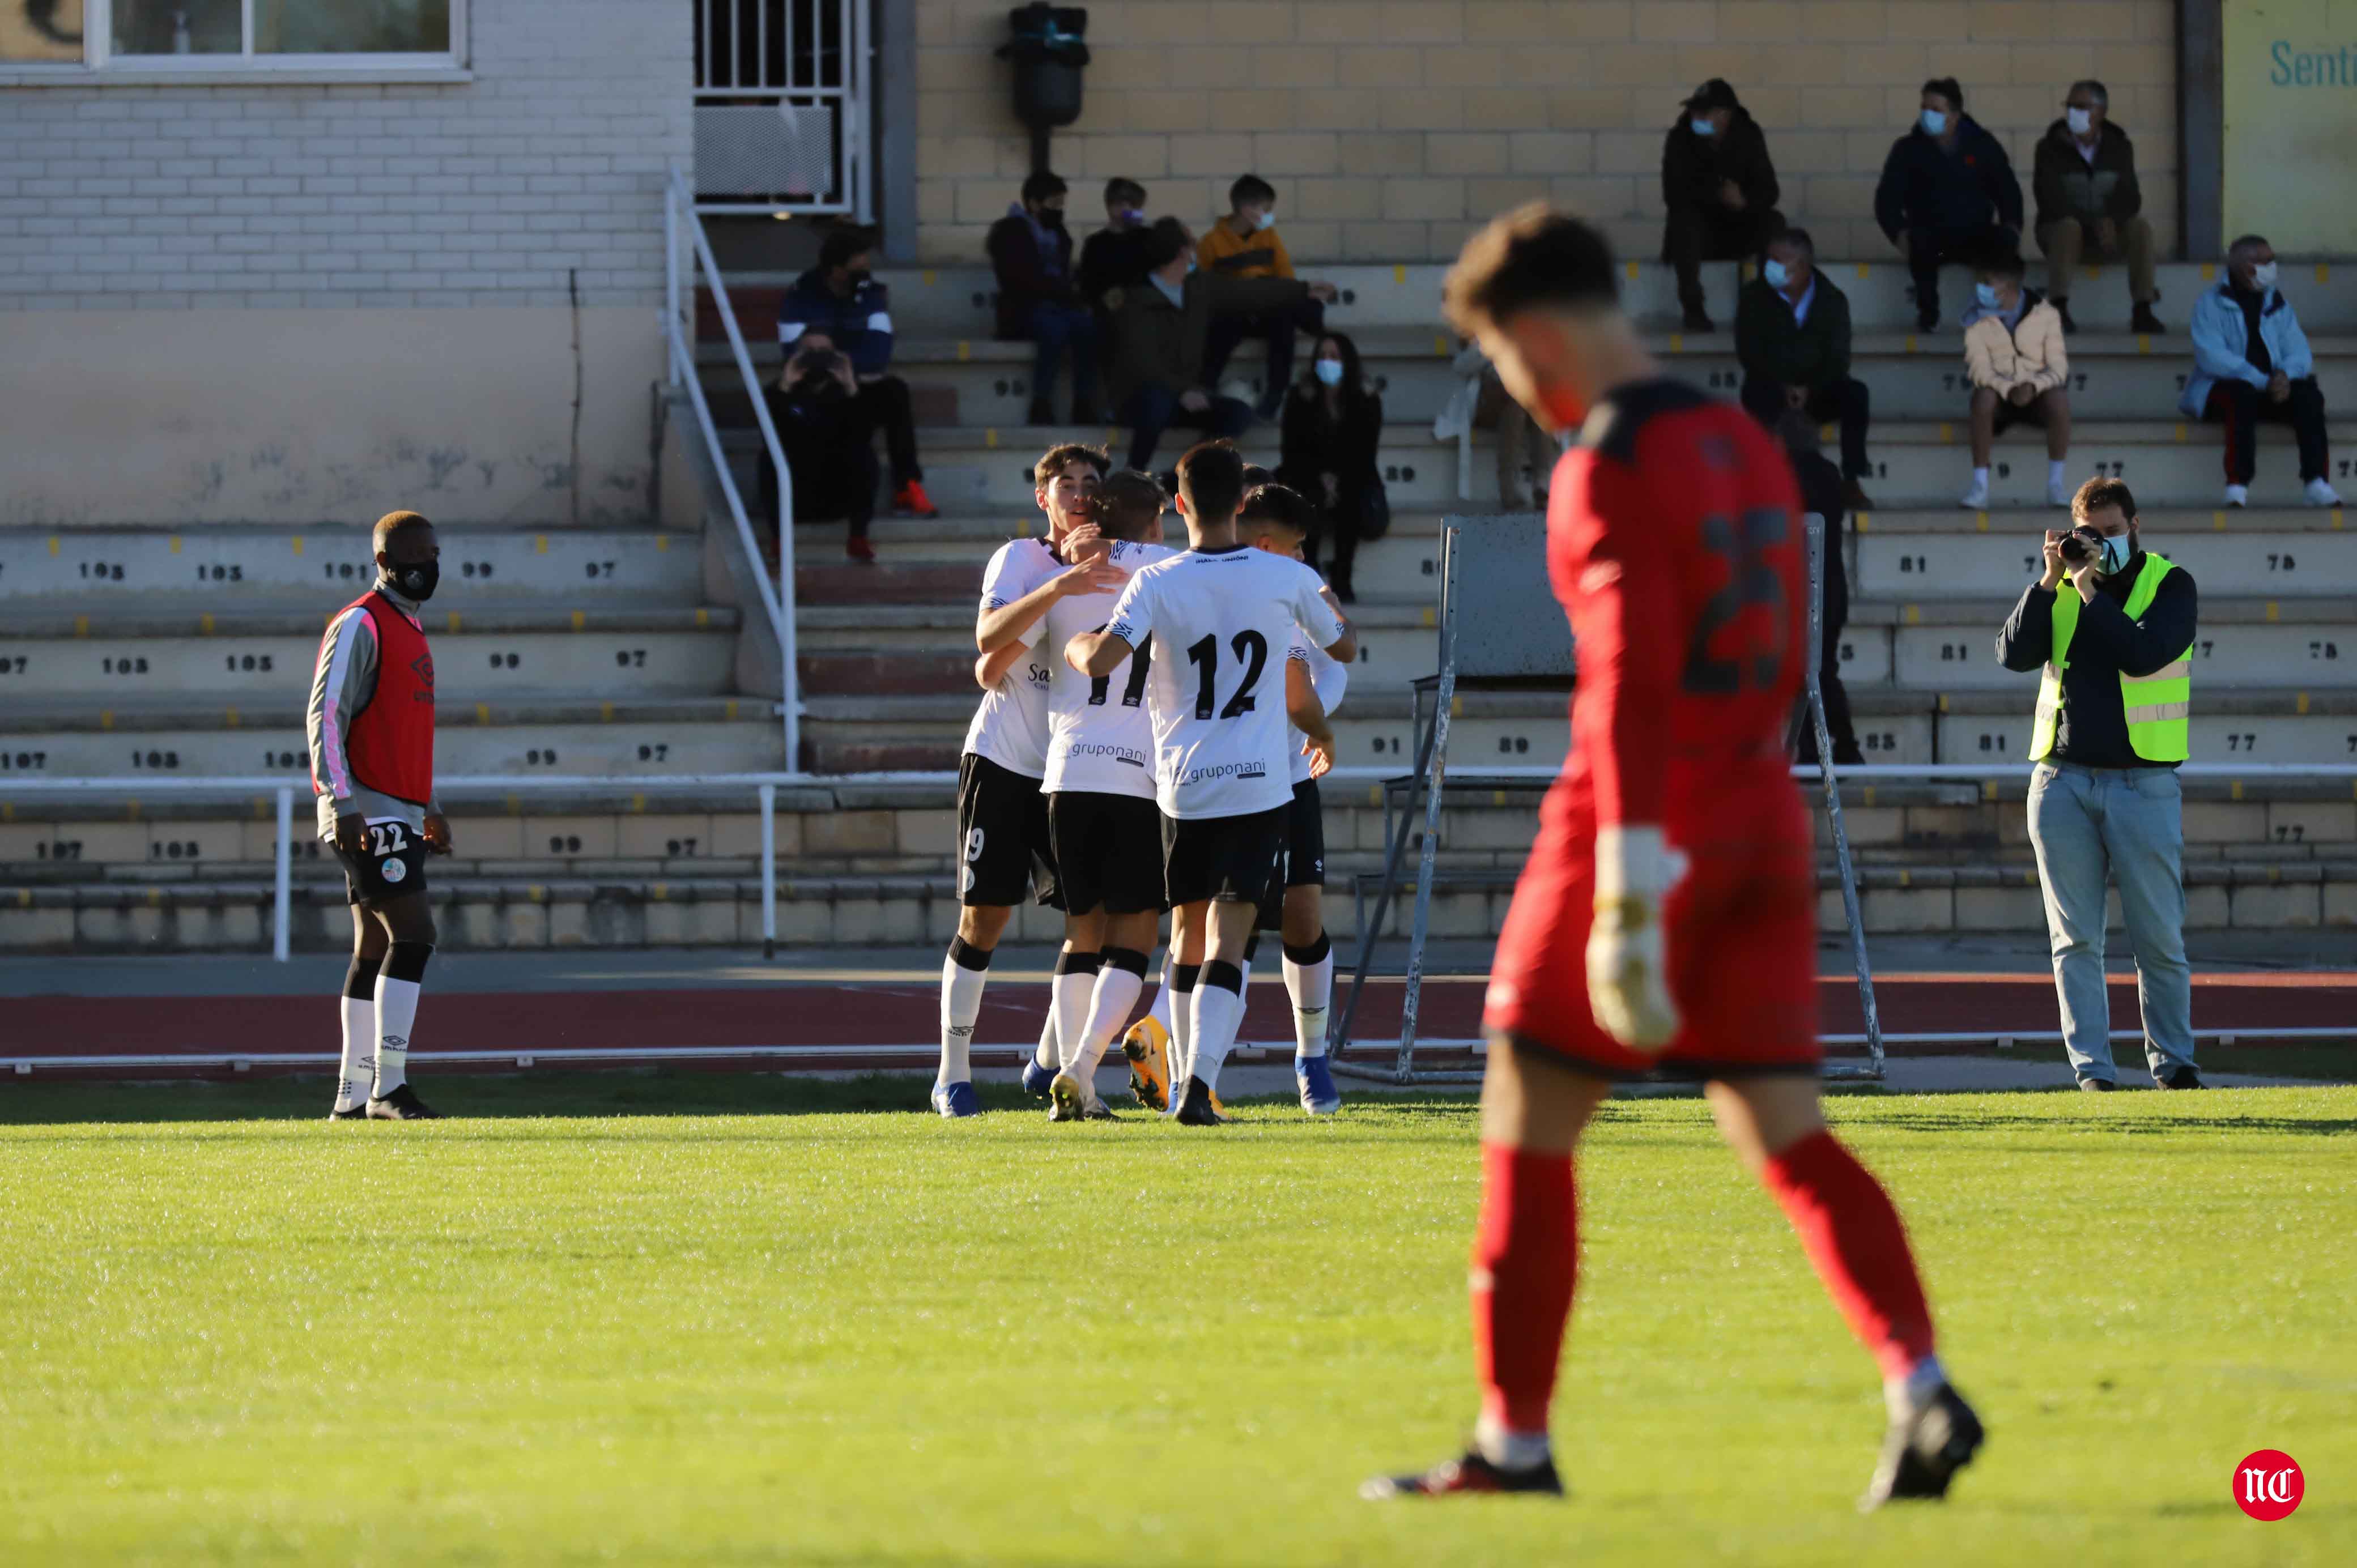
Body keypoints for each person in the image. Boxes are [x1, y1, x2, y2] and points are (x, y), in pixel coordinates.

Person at [1368, 204, 1980, 1505]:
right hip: (1764, 808)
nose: (1521, 397)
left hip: (1638, 823)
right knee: (1787, 1133)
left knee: (1525, 1132)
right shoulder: (1747, 439)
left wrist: (1628, 892)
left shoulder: (1605, 463)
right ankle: (1916, 1381)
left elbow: (1629, 689)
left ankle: (1512, 1444)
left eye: (1508, 365)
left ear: (1537, 335)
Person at [1067, 441, 1354, 1125]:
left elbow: (1102, 657)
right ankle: (1199, 1089)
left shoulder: (1158, 581)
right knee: (1231, 939)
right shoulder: (1282, 576)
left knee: (1187, 938)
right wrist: (1322, 607)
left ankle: (1180, 1086)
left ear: (1182, 503)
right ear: (1239, 504)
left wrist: (1080, 643)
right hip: (1257, 783)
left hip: (1183, 785)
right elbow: (1340, 646)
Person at [929, 444, 1122, 1118]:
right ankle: (952, 1073)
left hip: (1079, 769)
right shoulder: (1020, 558)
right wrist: (1061, 584)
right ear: (1042, 497)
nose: (1075, 493)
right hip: (1006, 760)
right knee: (984, 918)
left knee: (1089, 921)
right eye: (1063, 483)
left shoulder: (1124, 566)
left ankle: (1051, 1065)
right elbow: (988, 650)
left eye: (1088, 483)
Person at [1995, 478, 2201, 1092]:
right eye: (2090, 533)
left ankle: (2173, 1064)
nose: (2100, 544)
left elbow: (2142, 656)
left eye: (2111, 532)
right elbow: (2010, 655)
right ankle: (2092, 1073)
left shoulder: (2170, 584)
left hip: (2142, 782)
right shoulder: (2059, 584)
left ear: (2133, 526)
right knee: (2074, 939)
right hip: (2061, 781)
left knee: (2157, 935)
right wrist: (2047, 581)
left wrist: (2089, 592)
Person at [991, 468, 1177, 1122]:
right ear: (1154, 521)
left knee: (1080, 935)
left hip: (1066, 771)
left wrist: (1075, 554)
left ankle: (1077, 1085)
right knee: (1135, 935)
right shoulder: (1172, 569)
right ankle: (1079, 1067)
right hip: (1136, 775)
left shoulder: (1065, 574)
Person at [307, 509, 453, 1122]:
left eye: (432, 554)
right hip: (366, 808)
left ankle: (350, 1091)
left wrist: (430, 806)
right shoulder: (362, 621)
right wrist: (341, 804)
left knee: (373, 945)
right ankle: (388, 1087)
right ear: (383, 562)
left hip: (398, 808)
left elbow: (403, 734)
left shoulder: (410, 628)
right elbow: (325, 715)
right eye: (411, 555)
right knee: (415, 935)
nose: (424, 566)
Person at [1240, 482, 1349, 1116]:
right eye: (1296, 543)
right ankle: (1193, 1064)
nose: (1305, 554)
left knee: (1302, 913)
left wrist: (1311, 722)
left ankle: (1311, 1057)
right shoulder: (1207, 585)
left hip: (1289, 774)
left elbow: (1335, 663)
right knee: (1217, 923)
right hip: (1220, 776)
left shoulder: (1300, 586)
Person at [1107, 218, 1314, 473]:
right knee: (1156, 402)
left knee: (1238, 414)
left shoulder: (1197, 288)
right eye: (1191, 242)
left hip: (1184, 397)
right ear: (1183, 251)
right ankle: (1134, 472)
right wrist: (1182, 391)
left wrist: (1304, 290)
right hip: (1142, 399)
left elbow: (1249, 292)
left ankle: (1180, 476)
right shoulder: (1136, 300)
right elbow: (1142, 361)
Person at [777, 225, 937, 531]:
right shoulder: (802, 295)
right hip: (819, 388)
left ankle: (907, 485)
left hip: (859, 384)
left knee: (894, 392)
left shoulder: (870, 295)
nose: (865, 274)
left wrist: (839, 359)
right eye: (858, 268)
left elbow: (880, 353)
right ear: (837, 271)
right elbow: (795, 356)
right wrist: (840, 362)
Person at [2181, 236, 2343, 509]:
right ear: (2243, 266)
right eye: (2264, 262)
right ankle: (2237, 486)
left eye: (2272, 260)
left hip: (2272, 388)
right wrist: (2261, 380)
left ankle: (2317, 482)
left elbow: (2300, 351)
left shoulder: (2277, 303)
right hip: (2223, 389)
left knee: (2309, 396)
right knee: (2240, 395)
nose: (2271, 266)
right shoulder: (2210, 304)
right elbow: (2212, 358)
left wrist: (2285, 377)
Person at [1736, 227, 1874, 510]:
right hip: (1773, 387)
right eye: (1768, 258)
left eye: (1778, 260)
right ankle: (1764, 481)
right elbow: (1750, 351)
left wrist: (1809, 388)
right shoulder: (1754, 297)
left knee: (1856, 394)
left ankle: (1851, 480)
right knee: (1754, 390)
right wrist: (1785, 385)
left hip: (1817, 392)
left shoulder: (1832, 301)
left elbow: (1838, 358)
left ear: (1803, 266)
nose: (1769, 266)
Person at [1875, 78, 2023, 332]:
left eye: (1936, 110)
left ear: (1955, 115)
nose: (1927, 115)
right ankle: (1928, 315)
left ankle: (1999, 315)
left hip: (1975, 242)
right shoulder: (1908, 150)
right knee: (1920, 242)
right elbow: (1886, 199)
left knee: (2003, 244)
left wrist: (2012, 226)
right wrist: (1898, 233)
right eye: (1924, 108)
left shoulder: (1982, 145)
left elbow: (2007, 190)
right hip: (1937, 246)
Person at [1196, 175, 1339, 417]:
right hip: (1233, 311)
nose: (1270, 215)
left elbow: (1286, 280)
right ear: (1247, 210)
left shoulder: (1269, 237)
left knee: (1283, 322)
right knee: (1222, 329)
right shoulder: (1211, 243)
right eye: (1266, 209)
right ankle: (1204, 389)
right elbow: (1202, 288)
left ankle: (1275, 395)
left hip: (1267, 309)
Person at [2032, 80, 2163, 336]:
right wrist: (2095, 223)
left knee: (2140, 227)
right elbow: (2049, 199)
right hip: (2062, 235)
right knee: (2068, 227)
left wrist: (2112, 219)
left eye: (2082, 106)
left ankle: (2143, 309)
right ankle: (2058, 308)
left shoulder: (2120, 147)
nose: (2073, 113)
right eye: (2069, 106)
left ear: (2101, 112)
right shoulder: (2048, 148)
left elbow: (2131, 197)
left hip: (2107, 235)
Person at [1659, 78, 1784, 334]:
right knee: (1684, 221)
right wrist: (1717, 195)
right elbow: (1673, 194)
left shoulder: (1748, 136)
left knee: (1774, 222)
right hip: (1698, 236)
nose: (1695, 117)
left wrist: (1744, 202)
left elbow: (1770, 191)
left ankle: (1770, 308)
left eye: (1703, 112)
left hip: (1738, 229)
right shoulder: (1680, 138)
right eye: (1694, 110)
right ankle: (1693, 308)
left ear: (1725, 115)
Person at [1777, 411, 1865, 768]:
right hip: (1831, 586)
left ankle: (1825, 749)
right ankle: (1837, 747)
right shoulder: (1829, 474)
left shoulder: (1782, 475)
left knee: (1810, 670)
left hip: (1801, 589)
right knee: (1822, 668)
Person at [1274, 331, 1385, 602]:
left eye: (1334, 357)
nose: (1328, 362)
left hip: (1353, 475)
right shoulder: (1299, 397)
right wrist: (1321, 478)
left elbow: (1365, 453)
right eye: (1323, 356)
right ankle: (1310, 573)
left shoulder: (1366, 399)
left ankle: (1342, 576)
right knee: (1306, 489)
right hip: (1308, 473)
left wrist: (1338, 480)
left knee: (1352, 491)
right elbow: (1291, 451)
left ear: (1347, 361)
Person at [986, 171, 1101, 427]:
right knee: (1054, 330)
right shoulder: (1011, 233)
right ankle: (1041, 403)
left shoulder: (1058, 233)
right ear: (1034, 204)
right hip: (1024, 308)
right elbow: (1021, 280)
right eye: (1054, 203)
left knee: (1087, 328)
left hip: (1057, 304)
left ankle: (1083, 402)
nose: (1059, 210)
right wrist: (1061, 291)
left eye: (1061, 204)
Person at [1959, 252, 2073, 510]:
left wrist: (2033, 386)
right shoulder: (1975, 317)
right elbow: (1978, 369)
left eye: (1988, 281)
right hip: (1999, 396)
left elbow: (2059, 368)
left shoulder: (2046, 315)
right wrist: (2009, 389)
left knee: (2058, 397)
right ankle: (1980, 486)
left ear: (2007, 283)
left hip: (2036, 396)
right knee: (1982, 396)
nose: (1982, 288)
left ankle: (2056, 485)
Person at [760, 334, 882, 562]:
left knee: (864, 454)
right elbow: (768, 431)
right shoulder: (777, 393)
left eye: (823, 352)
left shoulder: (849, 393)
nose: (817, 358)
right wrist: (786, 385)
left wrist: (850, 386)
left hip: (836, 493)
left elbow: (866, 432)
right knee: (769, 458)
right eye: (810, 352)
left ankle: (858, 537)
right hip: (796, 495)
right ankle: (779, 541)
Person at [1078, 176, 1154, 312]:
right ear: (1112, 206)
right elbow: (1088, 287)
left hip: (1144, 310)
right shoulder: (1096, 244)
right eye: (1130, 205)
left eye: (1137, 206)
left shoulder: (1150, 237)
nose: (1135, 211)